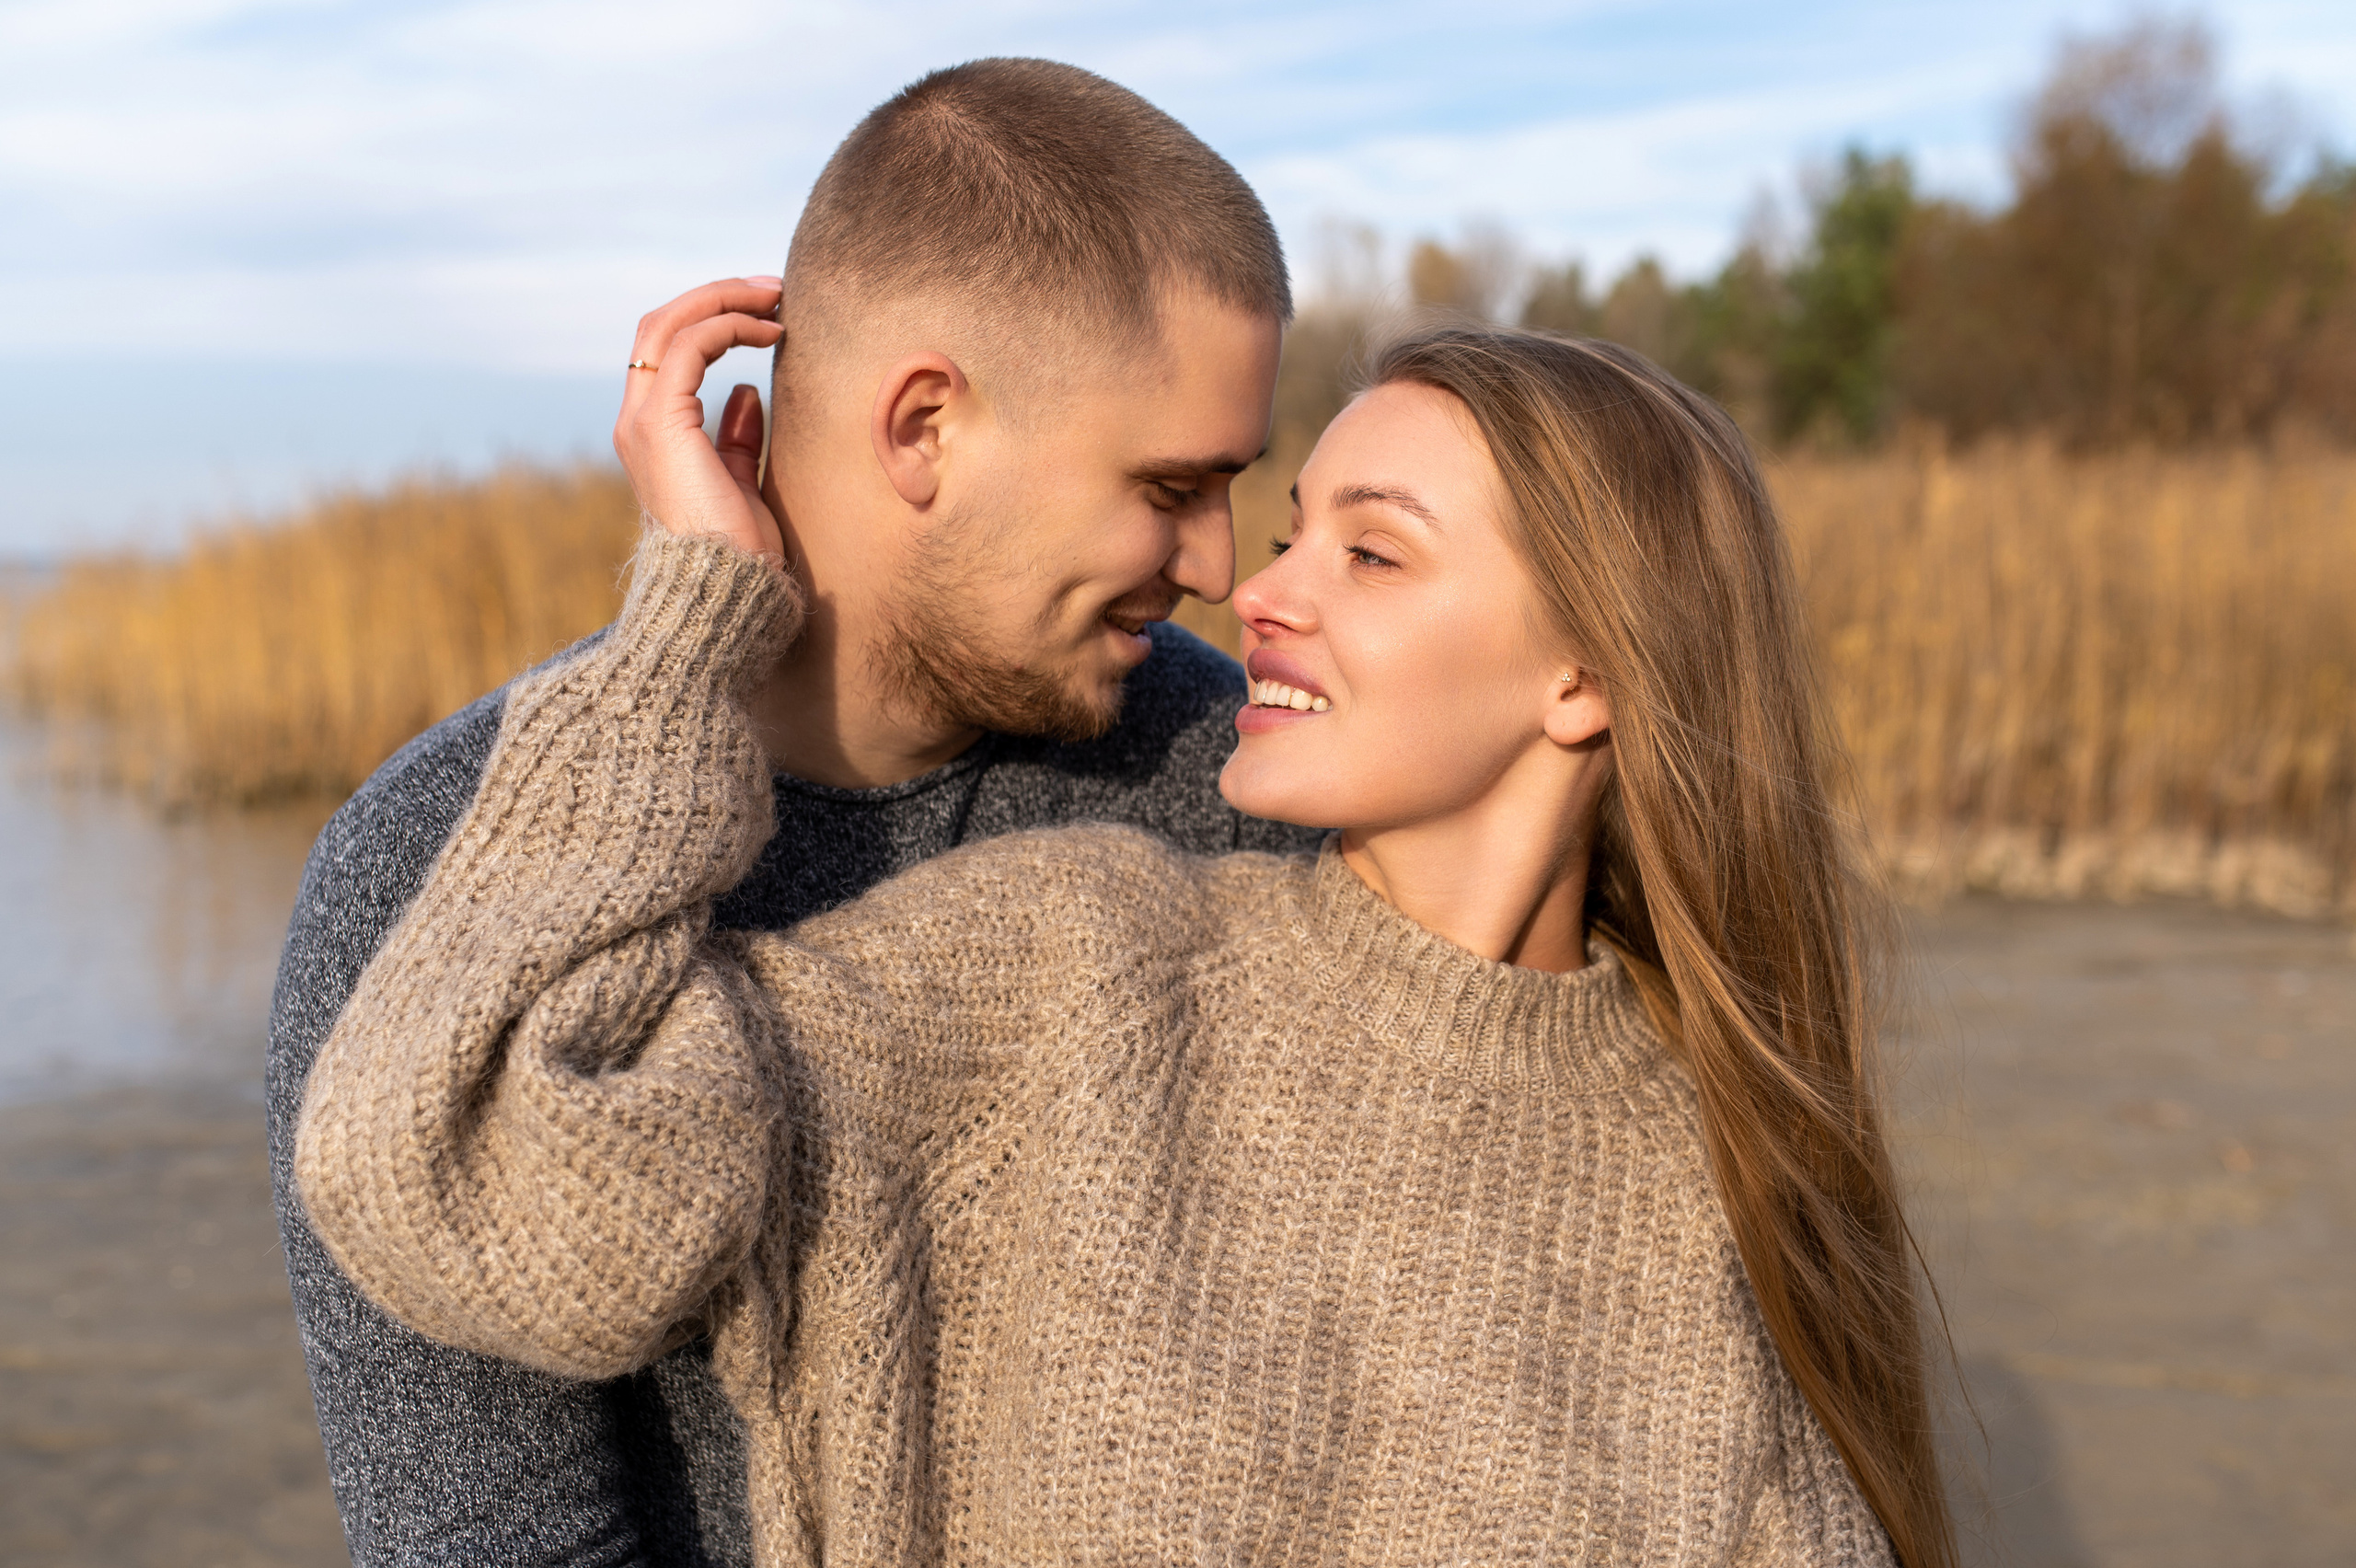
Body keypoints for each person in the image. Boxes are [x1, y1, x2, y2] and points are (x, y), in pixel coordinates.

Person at [293, 315, 1959, 1563]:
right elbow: (453, 1161)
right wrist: (693, 622)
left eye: (1368, 553)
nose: (1263, 589)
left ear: (1588, 677)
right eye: (1292, 523)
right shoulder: (1069, 971)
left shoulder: (1721, 1168)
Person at [267, 59, 1317, 1566]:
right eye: (1168, 486)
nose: (1218, 563)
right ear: (924, 429)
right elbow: (499, 1544)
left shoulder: (1236, 778)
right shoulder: (430, 873)